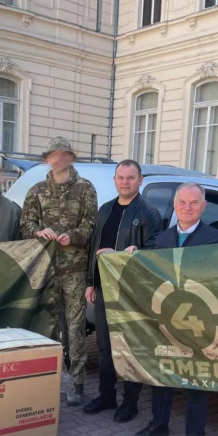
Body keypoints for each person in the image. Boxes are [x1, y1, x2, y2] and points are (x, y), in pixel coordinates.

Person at [132, 183, 218, 436]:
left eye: (194, 203)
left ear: (203, 206)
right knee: (164, 372)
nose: (187, 207)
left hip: (200, 320)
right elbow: (148, 275)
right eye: (182, 202)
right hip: (167, 319)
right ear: (175, 205)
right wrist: (128, 256)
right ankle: (159, 423)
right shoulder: (161, 240)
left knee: (197, 378)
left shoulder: (216, 239)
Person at [20, 137, 97, 406]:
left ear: (70, 158)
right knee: (47, 323)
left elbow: (90, 226)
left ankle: (76, 382)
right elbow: (26, 224)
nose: (57, 159)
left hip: (74, 269)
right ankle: (47, 378)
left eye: (62, 154)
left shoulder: (86, 188)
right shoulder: (37, 190)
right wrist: (39, 232)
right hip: (46, 269)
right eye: (53, 154)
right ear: (47, 159)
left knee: (76, 327)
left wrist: (72, 236)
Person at [83, 160, 162, 422]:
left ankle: (130, 402)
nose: (125, 182)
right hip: (104, 288)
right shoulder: (105, 210)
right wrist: (90, 282)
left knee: (130, 348)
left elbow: (154, 254)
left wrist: (127, 255)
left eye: (131, 178)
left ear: (140, 181)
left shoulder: (148, 212)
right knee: (105, 346)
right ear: (115, 180)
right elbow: (94, 248)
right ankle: (107, 395)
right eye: (121, 177)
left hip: (131, 293)